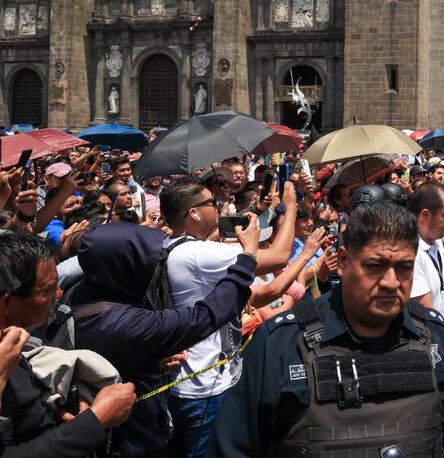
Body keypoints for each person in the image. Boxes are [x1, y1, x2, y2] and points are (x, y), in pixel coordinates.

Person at [211, 201, 444, 457]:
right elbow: (232, 446)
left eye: (404, 268)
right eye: (375, 266)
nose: (391, 282)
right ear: (344, 262)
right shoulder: (280, 344)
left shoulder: (433, 337)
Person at [70, 222, 259, 457]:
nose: (156, 267)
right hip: (131, 443)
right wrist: (247, 257)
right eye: (148, 261)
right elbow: (204, 317)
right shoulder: (126, 324)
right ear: (125, 265)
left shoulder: (82, 294)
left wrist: (150, 358)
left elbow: (116, 357)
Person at [159, 180, 296, 458]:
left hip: (204, 382)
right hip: (206, 388)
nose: (219, 206)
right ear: (194, 213)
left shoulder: (176, 245)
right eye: (211, 202)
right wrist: (290, 207)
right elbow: (279, 256)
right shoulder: (197, 254)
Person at [0, 235, 138, 456]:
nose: (59, 293)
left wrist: (53, 409)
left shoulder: (11, 346)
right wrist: (96, 420)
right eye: (47, 289)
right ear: (6, 301)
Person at [409, 182, 444, 369]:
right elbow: (427, 313)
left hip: (442, 342)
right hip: (426, 348)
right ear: (426, 215)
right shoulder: (412, 253)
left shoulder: (437, 243)